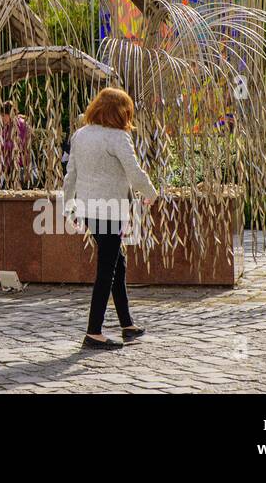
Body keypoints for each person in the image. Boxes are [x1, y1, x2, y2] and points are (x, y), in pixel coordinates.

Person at [63, 87, 159, 351]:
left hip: (88, 209)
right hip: (111, 211)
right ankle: (93, 332)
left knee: (118, 263)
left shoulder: (80, 135)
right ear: (121, 112)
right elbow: (135, 171)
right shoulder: (117, 137)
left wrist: (67, 206)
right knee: (107, 269)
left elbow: (70, 174)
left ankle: (127, 324)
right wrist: (152, 193)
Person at [0, 103, 33, 188]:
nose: (2, 118)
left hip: (20, 165)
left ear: (9, 114)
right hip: (10, 166)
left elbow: (19, 144)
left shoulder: (20, 124)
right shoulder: (7, 126)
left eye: (3, 115)